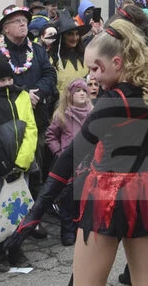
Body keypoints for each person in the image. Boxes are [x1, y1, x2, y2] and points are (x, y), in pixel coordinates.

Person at [36, 19, 148, 286]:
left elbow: (72, 155)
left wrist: (35, 212)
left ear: (117, 63)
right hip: (145, 194)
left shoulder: (112, 100)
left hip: (109, 194)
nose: (91, 77)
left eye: (95, 68)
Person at [0, 54, 36, 271]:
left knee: (20, 207)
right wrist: (4, 166)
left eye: (9, 79)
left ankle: (16, 247)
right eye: (2, 80)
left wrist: (23, 161)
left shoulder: (22, 96)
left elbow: (31, 128)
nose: (7, 83)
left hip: (22, 164)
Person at [44, 77, 93, 245]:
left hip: (88, 164)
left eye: (84, 90)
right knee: (67, 201)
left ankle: (81, 229)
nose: (82, 94)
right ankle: (68, 232)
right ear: (70, 95)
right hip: (69, 164)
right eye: (77, 91)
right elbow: (50, 135)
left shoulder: (92, 114)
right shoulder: (62, 115)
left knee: (84, 199)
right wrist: (59, 153)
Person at [0, 4, 58, 134]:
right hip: (9, 119)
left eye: (24, 20)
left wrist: (37, 93)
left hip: (38, 116)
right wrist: (24, 95)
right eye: (17, 21)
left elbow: (50, 74)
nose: (23, 24)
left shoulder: (38, 50)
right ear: (6, 28)